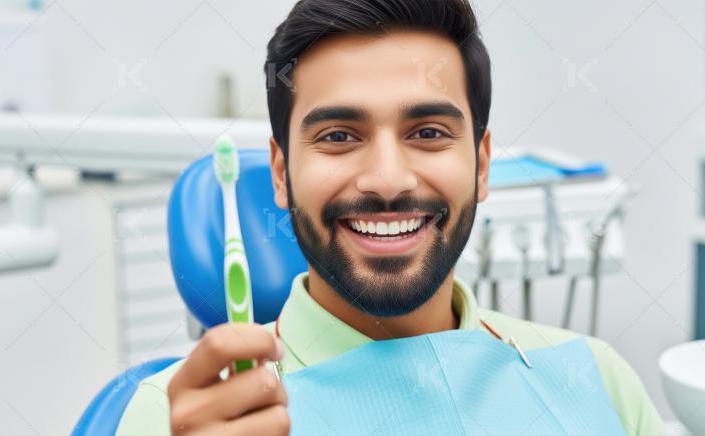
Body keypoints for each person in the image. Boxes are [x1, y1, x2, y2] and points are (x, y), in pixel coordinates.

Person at [117, 0, 666, 434]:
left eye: (428, 133)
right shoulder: (173, 419)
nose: (387, 179)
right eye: (338, 136)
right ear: (282, 174)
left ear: (480, 164)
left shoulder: (597, 379)